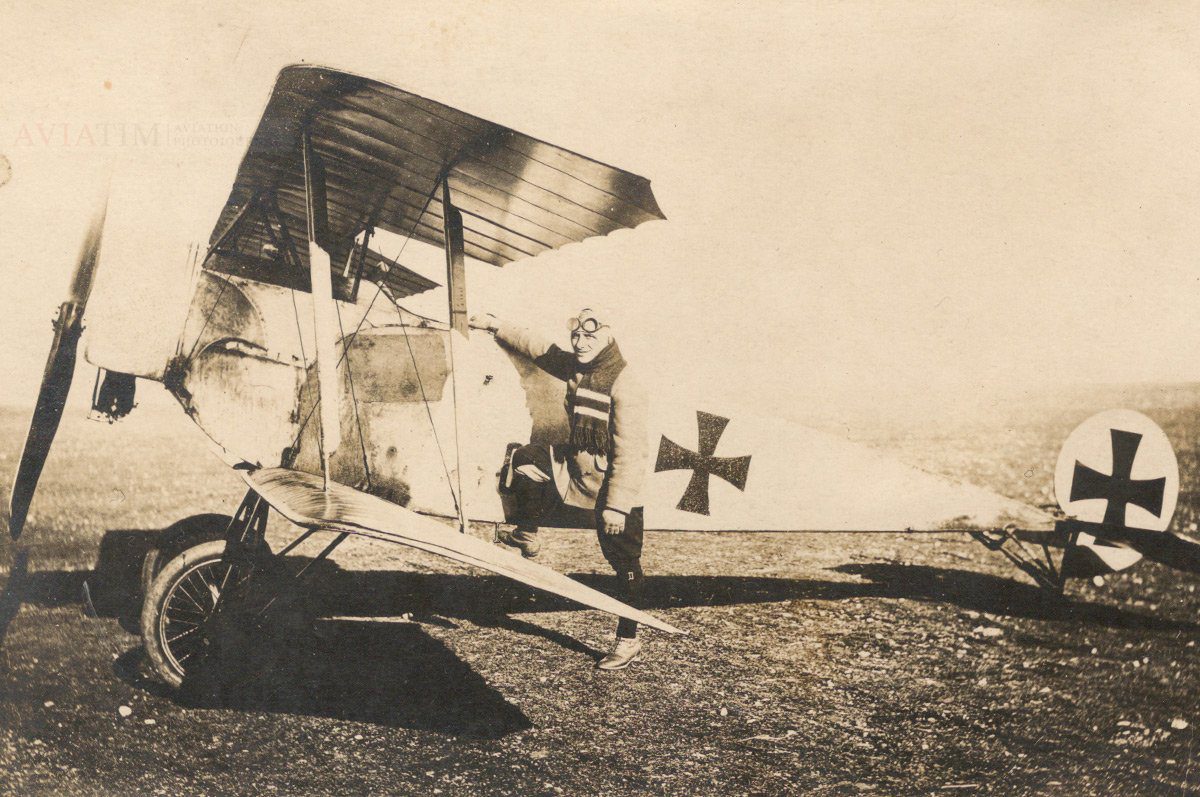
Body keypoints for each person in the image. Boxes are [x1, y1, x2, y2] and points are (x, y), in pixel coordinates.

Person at [469, 307, 649, 671]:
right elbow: (541, 349)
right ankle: (527, 534)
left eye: (590, 338)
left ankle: (628, 640)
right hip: (577, 472)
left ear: (609, 338)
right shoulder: (580, 368)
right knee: (526, 458)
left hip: (610, 487)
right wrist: (496, 324)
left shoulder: (624, 384)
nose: (581, 344)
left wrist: (616, 506)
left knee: (624, 563)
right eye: (577, 337)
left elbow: (631, 453)